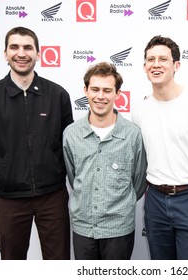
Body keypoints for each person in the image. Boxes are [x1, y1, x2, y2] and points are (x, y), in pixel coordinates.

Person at [0, 26, 73, 260]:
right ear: (5, 53)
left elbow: (69, 148)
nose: (21, 53)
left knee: (58, 262)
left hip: (52, 197)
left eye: (28, 47)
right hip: (9, 200)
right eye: (14, 47)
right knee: (12, 263)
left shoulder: (57, 95)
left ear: (38, 53)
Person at [132, 35, 188, 260]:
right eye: (151, 59)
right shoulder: (140, 110)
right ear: (144, 67)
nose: (156, 64)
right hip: (155, 202)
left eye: (163, 59)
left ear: (176, 65)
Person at [62, 62, 147, 260]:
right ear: (85, 90)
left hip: (119, 229)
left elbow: (139, 182)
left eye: (107, 90)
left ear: (118, 94)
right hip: (83, 227)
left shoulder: (133, 135)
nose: (100, 96)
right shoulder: (71, 134)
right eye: (95, 89)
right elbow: (73, 177)